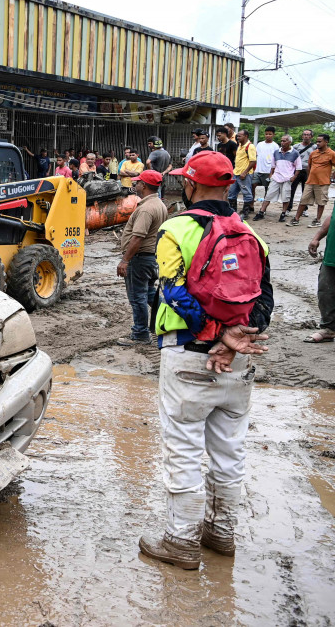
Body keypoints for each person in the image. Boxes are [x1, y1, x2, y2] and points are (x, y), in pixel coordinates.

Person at [139, 150, 272, 570]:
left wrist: (214, 333)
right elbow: (264, 301)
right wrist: (232, 341)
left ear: (190, 184)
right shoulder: (252, 234)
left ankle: (181, 542)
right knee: (230, 450)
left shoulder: (176, 228)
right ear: (229, 186)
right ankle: (221, 533)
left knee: (182, 447)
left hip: (189, 355)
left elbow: (173, 292)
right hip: (239, 359)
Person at [116, 170, 168, 346]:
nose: (135, 184)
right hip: (150, 257)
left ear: (144, 185)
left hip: (140, 258)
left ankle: (140, 334)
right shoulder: (159, 204)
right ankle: (169, 320)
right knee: (149, 292)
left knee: (137, 297)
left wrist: (125, 260)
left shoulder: (146, 209)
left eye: (137, 182)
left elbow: (138, 237)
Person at [289, 134, 335, 228]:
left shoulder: (332, 154)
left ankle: (317, 220)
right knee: (303, 200)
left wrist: (332, 176)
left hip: (323, 182)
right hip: (310, 181)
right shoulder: (313, 153)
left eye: (320, 141)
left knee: (321, 202)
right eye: (317, 141)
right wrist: (310, 175)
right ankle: (296, 219)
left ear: (326, 142)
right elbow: (309, 166)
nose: (317, 143)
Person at [254, 135, 300, 222]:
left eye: (284, 141)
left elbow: (298, 167)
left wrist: (294, 177)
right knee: (268, 195)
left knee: (285, 197)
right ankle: (261, 212)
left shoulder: (295, 153)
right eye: (281, 141)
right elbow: (273, 165)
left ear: (290, 142)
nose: (282, 142)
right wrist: (271, 175)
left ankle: (283, 214)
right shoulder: (276, 152)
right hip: (276, 177)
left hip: (287, 178)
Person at [306, 210, 334, 343]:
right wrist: (317, 237)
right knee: (325, 291)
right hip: (332, 254)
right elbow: (333, 216)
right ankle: (329, 328)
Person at [228, 130, 256, 218]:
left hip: (244, 174)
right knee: (231, 193)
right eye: (237, 136)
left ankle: (245, 213)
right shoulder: (239, 145)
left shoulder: (250, 146)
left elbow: (253, 161)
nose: (238, 137)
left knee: (246, 193)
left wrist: (245, 172)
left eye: (240, 136)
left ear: (246, 136)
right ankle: (233, 212)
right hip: (236, 173)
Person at [253, 126, 279, 199]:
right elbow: (256, 155)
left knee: (267, 188)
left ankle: (265, 203)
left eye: (270, 134)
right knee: (253, 185)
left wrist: (272, 172)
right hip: (258, 170)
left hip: (268, 170)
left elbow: (276, 160)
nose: (268, 136)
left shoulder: (275, 146)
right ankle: (251, 202)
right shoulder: (260, 144)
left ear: (274, 135)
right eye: (266, 134)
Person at [291, 130, 316, 206]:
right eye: (304, 134)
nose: (306, 136)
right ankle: (288, 207)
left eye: (308, 135)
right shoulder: (296, 146)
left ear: (311, 136)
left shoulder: (315, 147)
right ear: (302, 136)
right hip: (296, 170)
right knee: (291, 189)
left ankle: (304, 208)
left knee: (306, 191)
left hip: (308, 171)